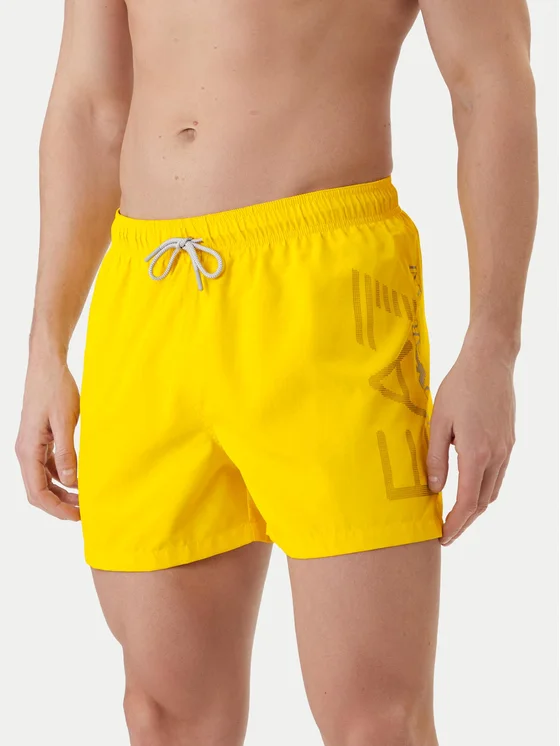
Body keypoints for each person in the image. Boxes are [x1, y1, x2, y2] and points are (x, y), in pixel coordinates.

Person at [16, 0, 537, 743]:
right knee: (164, 714)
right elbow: (89, 105)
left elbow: (490, 81)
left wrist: (492, 344)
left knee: (375, 721)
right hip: (149, 294)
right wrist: (46, 344)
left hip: (327, 292)